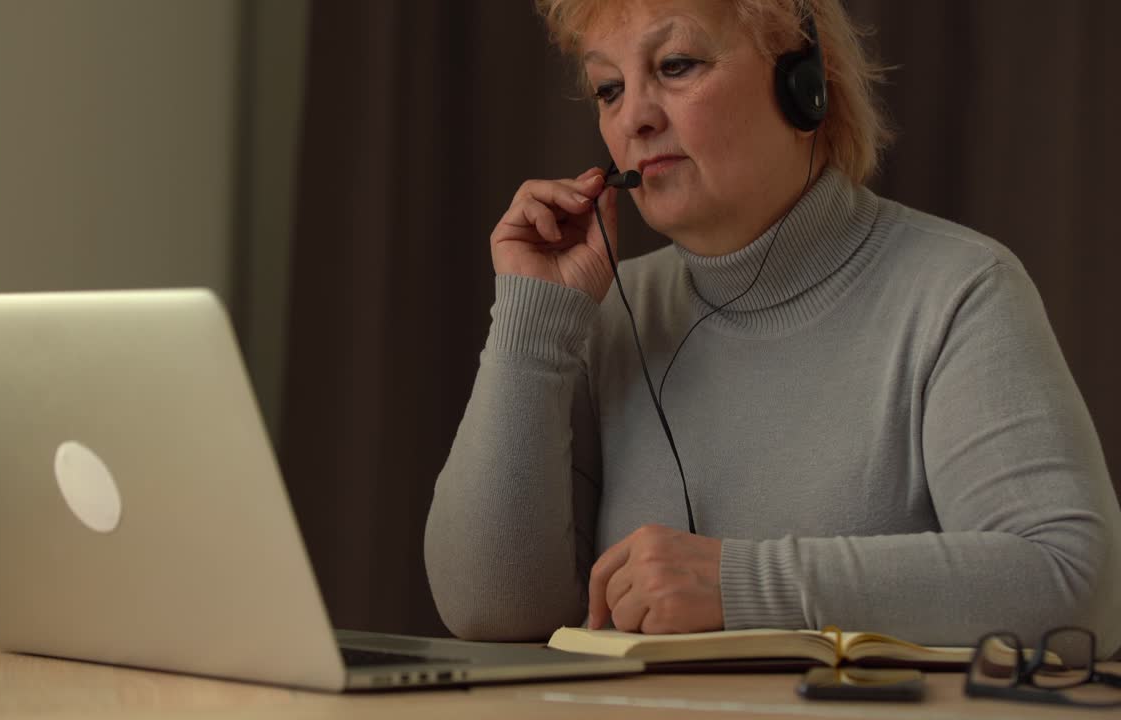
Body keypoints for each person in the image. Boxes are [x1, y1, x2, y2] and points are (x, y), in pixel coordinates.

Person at [423, 0, 1121, 658]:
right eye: (608, 88)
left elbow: (1073, 584)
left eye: (675, 67)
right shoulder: (605, 316)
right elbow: (490, 610)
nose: (633, 116)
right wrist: (532, 326)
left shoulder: (960, 289)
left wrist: (742, 585)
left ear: (803, 82)